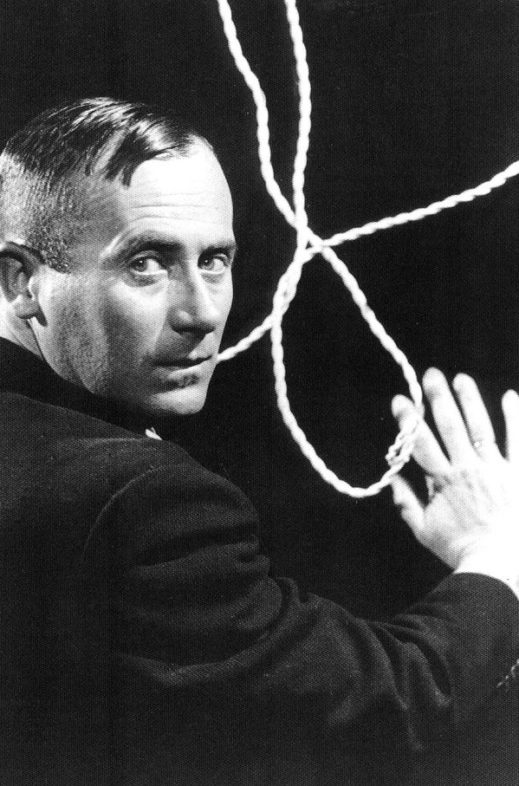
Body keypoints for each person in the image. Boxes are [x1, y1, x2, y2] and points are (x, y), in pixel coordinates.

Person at [0, 97, 517, 786]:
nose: (201, 312)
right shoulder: (140, 499)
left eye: (215, 259)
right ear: (22, 282)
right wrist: (496, 555)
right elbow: (389, 707)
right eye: (146, 262)